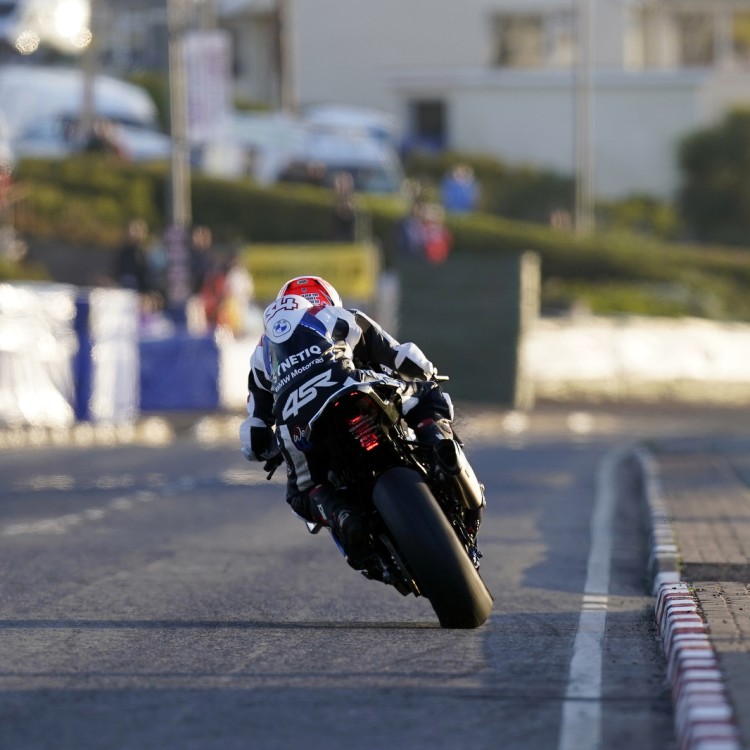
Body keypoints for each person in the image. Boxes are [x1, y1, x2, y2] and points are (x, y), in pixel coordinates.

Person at [239, 275, 465, 568]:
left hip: (297, 427)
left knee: (303, 494)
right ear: (326, 299)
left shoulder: (260, 354)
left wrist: (270, 450)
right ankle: (440, 452)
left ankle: (340, 515)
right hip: (352, 387)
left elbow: (254, 434)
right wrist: (427, 372)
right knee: (427, 395)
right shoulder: (333, 314)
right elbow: (399, 355)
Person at [113, 218, 151, 293]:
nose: (138, 234)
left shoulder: (148, 252)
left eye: (140, 231)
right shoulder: (123, 252)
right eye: (135, 231)